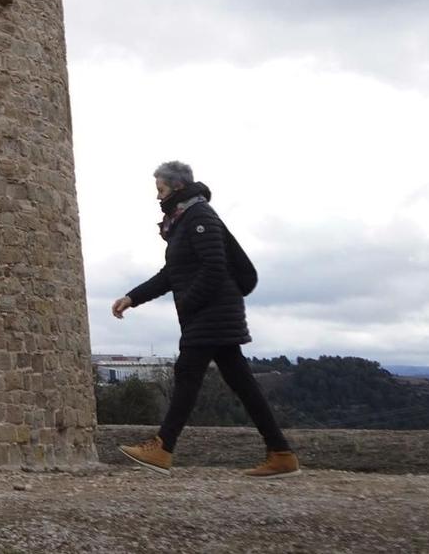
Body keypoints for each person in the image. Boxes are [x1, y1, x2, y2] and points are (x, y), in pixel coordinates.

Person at [112, 161, 300, 478]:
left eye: (161, 190)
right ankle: (281, 453)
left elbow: (215, 266)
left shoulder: (199, 217)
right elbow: (171, 274)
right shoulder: (182, 220)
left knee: (187, 374)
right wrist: (133, 297)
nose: (158, 197)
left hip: (212, 313)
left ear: (178, 187)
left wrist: (188, 303)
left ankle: (162, 448)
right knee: (242, 383)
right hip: (212, 314)